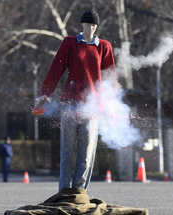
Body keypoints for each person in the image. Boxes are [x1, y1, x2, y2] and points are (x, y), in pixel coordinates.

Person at [36, 9, 116, 191]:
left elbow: (110, 78)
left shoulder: (104, 46)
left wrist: (107, 104)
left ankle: (79, 192)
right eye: (88, 25)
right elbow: (56, 69)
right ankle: (64, 191)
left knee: (87, 151)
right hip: (70, 102)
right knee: (67, 149)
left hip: (93, 105)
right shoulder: (70, 43)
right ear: (82, 25)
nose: (91, 28)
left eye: (94, 25)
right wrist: (45, 93)